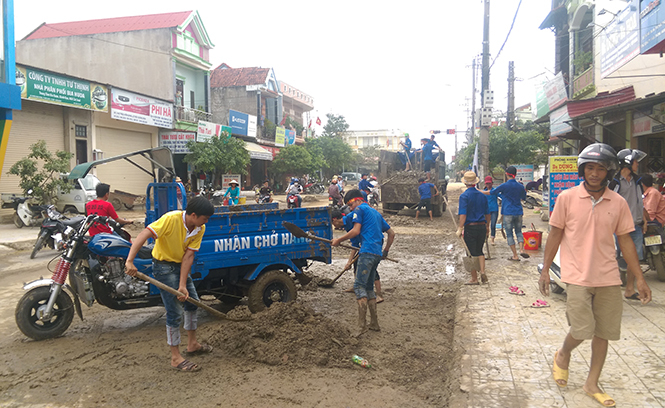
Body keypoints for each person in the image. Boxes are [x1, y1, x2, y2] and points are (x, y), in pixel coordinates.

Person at [538, 143, 651, 407]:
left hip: (609, 277)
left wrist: (640, 279)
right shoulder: (566, 198)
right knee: (582, 329)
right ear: (582, 169)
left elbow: (625, 242)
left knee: (604, 332)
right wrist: (545, 270)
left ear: (609, 171)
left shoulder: (619, 202)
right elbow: (554, 235)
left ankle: (592, 382)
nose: (595, 173)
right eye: (590, 167)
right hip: (576, 275)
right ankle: (563, 353)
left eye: (601, 168)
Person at [125, 196, 216, 372]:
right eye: (205, 218)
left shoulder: (199, 228)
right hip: (163, 266)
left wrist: (182, 285)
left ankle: (192, 344)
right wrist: (130, 261)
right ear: (194, 215)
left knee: (192, 303)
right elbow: (145, 233)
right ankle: (175, 357)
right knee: (174, 311)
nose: (207, 221)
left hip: (179, 265)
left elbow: (188, 256)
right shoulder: (170, 219)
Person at [332, 189, 395, 337]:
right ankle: (374, 323)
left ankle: (361, 327)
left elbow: (355, 231)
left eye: (350, 204)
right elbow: (392, 233)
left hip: (366, 252)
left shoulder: (359, 210)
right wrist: (385, 251)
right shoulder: (376, 213)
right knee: (369, 288)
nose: (351, 208)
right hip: (376, 254)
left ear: (357, 200)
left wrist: (338, 240)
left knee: (359, 287)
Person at [610, 149, 650, 300]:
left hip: (636, 225)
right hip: (618, 228)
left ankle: (629, 289)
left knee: (635, 258)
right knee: (616, 258)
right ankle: (611, 288)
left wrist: (644, 220)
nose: (637, 164)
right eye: (635, 161)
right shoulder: (615, 182)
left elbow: (640, 202)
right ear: (627, 162)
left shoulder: (638, 181)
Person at [331, 209, 386, 303]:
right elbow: (355, 245)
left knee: (369, 265)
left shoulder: (351, 218)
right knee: (357, 263)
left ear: (335, 219)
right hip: (364, 243)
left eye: (332, 223)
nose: (334, 226)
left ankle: (379, 294)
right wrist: (349, 261)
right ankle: (355, 286)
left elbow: (357, 232)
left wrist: (339, 240)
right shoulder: (347, 225)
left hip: (372, 242)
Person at [482, 166, 527, 261]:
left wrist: (479, 191)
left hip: (508, 212)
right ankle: (522, 250)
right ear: (515, 174)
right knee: (518, 231)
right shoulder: (520, 186)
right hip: (518, 211)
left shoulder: (504, 186)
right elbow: (524, 198)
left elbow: (492, 192)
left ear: (506, 174)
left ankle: (515, 255)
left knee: (509, 233)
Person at [457, 171, 490, 285]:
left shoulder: (464, 196)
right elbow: (488, 213)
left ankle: (474, 278)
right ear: (475, 183)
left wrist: (460, 228)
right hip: (481, 226)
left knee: (471, 253)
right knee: (480, 251)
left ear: (465, 183)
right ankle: (483, 271)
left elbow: (463, 214)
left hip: (470, 228)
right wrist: (487, 226)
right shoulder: (482, 195)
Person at [483, 175, 499, 245]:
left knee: (493, 225)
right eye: (487, 183)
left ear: (492, 183)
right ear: (485, 184)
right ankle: (485, 237)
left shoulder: (495, 191)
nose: (488, 185)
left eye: (489, 183)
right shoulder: (483, 192)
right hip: (486, 211)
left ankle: (492, 239)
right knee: (486, 225)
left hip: (494, 210)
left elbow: (502, 196)